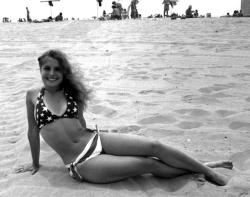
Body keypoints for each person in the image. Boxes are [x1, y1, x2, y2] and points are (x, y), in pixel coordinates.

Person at [16, 49, 232, 185]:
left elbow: (80, 124)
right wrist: (35, 164)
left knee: (155, 146)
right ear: (40, 68)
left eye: (57, 70)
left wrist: (99, 139)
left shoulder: (71, 93)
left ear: (64, 73)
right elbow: (33, 131)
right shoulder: (32, 96)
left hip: (95, 139)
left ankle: (206, 170)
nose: (52, 74)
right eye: (47, 68)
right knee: (147, 164)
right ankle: (202, 168)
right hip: (81, 162)